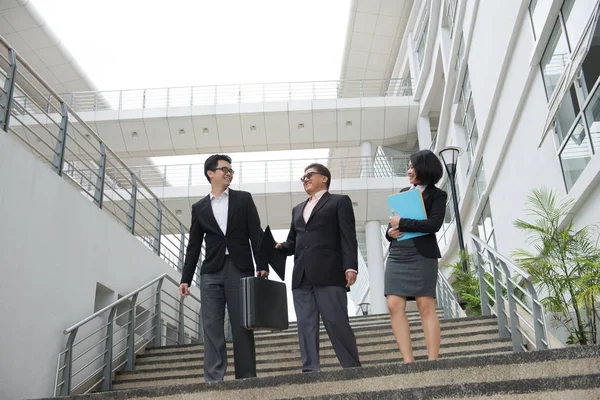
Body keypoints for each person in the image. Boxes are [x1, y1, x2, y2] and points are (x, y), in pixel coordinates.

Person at [179, 154, 268, 382]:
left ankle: (246, 377)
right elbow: (194, 245)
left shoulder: (243, 199)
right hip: (211, 272)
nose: (228, 173)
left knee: (242, 325)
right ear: (211, 173)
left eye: (231, 170)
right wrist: (185, 278)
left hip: (240, 269)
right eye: (224, 169)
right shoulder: (199, 207)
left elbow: (255, 234)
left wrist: (262, 264)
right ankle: (214, 379)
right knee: (211, 326)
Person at [276, 163, 361, 373]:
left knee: (336, 321)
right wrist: (278, 247)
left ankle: (352, 367)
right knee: (305, 325)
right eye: (303, 177)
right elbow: (293, 242)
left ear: (324, 178)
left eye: (309, 175)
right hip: (301, 276)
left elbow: (348, 236)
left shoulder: (339, 202)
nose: (305, 179)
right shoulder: (298, 209)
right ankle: (310, 370)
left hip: (330, 273)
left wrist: (350, 266)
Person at [385, 149, 447, 362]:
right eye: (409, 167)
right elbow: (392, 223)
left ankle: (432, 361)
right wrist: (389, 232)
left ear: (424, 168)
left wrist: (402, 223)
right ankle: (408, 361)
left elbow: (434, 224)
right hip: (398, 253)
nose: (409, 170)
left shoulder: (438, 195)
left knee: (425, 304)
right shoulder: (403, 193)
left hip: (422, 254)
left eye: (412, 166)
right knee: (393, 303)